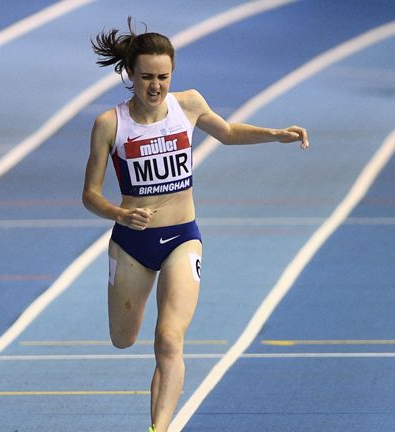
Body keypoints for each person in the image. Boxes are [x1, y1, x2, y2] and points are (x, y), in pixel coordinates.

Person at [82, 19, 308, 432]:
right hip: (132, 242)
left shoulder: (187, 104)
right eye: (147, 77)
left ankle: (159, 428)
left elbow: (227, 132)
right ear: (129, 75)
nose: (156, 86)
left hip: (182, 238)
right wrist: (119, 213)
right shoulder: (109, 125)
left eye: (163, 77)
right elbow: (90, 195)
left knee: (169, 339)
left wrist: (274, 134)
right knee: (123, 338)